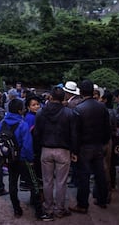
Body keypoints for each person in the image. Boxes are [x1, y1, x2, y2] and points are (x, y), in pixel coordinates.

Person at [0, 99, 47, 220]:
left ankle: (17, 209)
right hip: (23, 160)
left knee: (12, 184)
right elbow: (27, 145)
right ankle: (39, 212)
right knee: (34, 184)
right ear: (19, 111)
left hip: (9, 159)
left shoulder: (2, 123)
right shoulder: (22, 125)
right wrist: (30, 159)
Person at [70, 80, 111, 213]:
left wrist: (74, 151)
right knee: (100, 174)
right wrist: (104, 142)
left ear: (81, 92)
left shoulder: (78, 109)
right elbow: (107, 128)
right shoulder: (101, 107)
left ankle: (82, 204)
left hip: (84, 147)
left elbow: (75, 133)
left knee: (84, 177)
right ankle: (102, 200)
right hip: (98, 145)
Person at [34, 86, 75, 219]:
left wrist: (37, 150)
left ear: (50, 97)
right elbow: (73, 134)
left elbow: (37, 133)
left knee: (47, 181)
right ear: (63, 98)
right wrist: (74, 151)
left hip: (46, 150)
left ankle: (48, 207)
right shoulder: (69, 113)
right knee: (61, 182)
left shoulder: (41, 112)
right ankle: (59, 209)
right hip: (63, 151)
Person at [62, 81, 82, 188]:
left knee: (74, 159)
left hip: (74, 134)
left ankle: (75, 180)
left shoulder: (71, 104)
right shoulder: (77, 101)